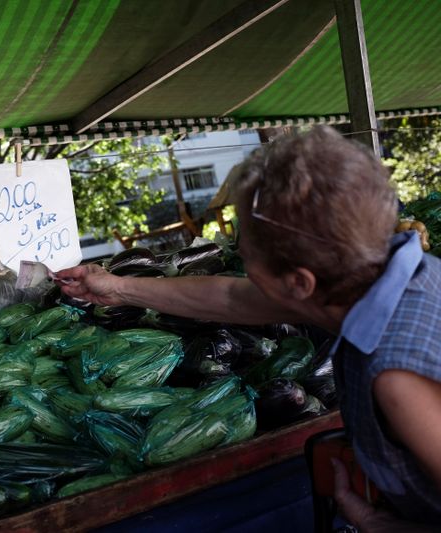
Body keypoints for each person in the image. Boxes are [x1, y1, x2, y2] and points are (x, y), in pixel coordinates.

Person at [56, 126, 441, 530]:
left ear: (299, 283)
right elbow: (232, 299)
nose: (238, 256)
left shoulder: (398, 373)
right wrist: (117, 287)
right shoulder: (388, 277)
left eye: (247, 252)